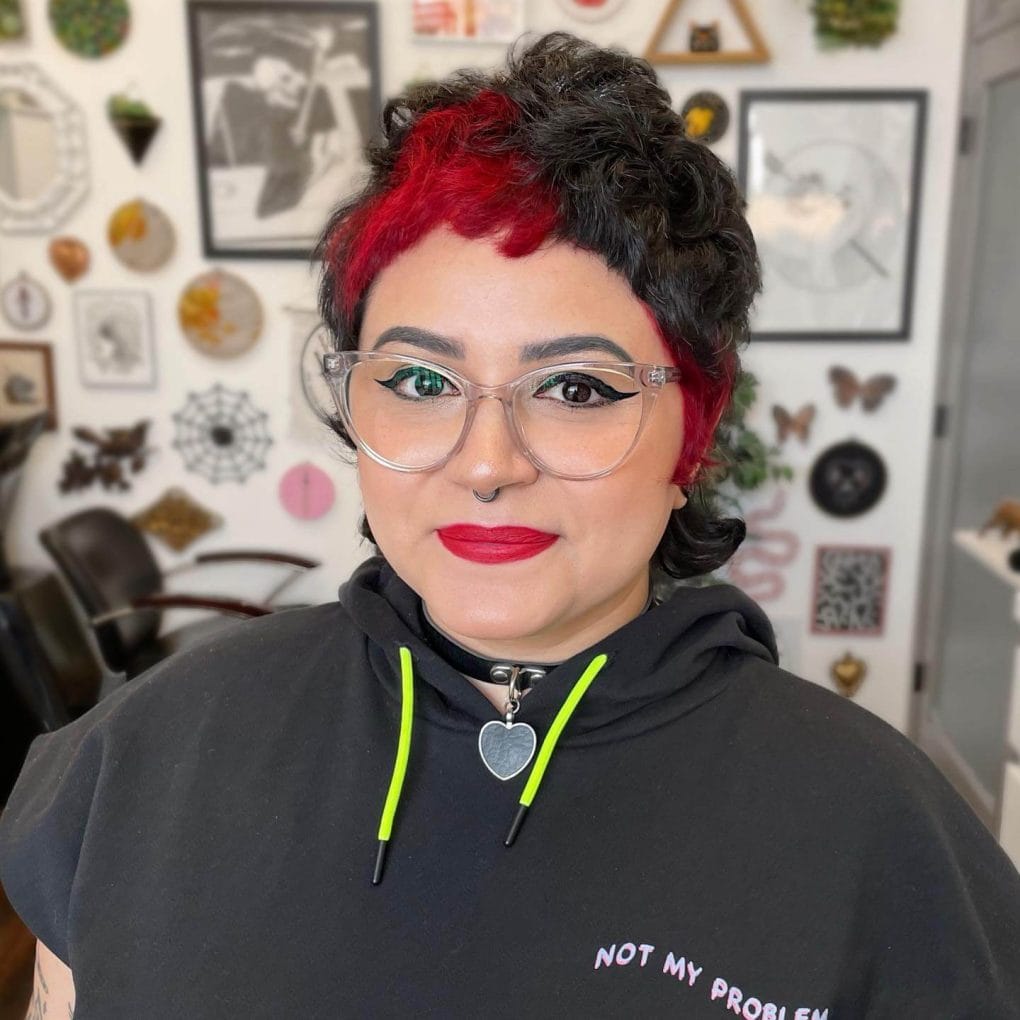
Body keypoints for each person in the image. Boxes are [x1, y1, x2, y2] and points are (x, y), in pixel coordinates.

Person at [2, 32, 1019, 1019]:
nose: (487, 463)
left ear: (693, 440)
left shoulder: (880, 833)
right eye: (421, 380)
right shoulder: (144, 754)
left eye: (576, 387)